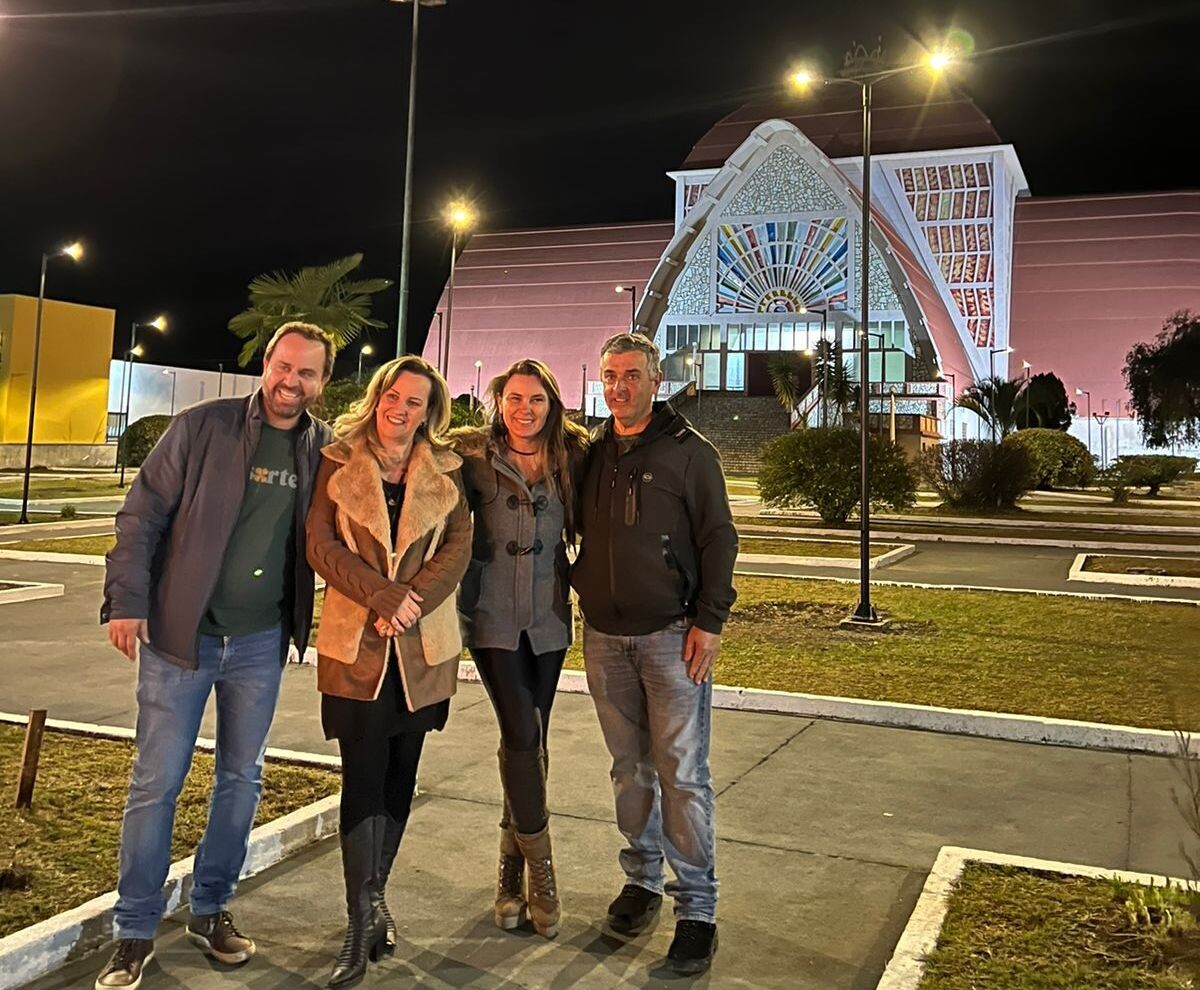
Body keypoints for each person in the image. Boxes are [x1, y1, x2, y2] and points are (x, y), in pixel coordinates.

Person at [97, 322, 335, 990]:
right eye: (284, 366)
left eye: (307, 372)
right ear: (267, 364)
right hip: (182, 636)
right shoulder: (203, 427)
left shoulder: (324, 450)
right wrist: (126, 600)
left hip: (260, 642)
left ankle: (210, 908)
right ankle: (134, 930)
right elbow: (141, 515)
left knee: (241, 779)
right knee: (156, 784)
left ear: (322, 381)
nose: (292, 381)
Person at [570, 332, 738, 976]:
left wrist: (709, 622)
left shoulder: (691, 454)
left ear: (656, 380)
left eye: (632, 375)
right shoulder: (592, 455)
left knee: (682, 774)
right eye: (610, 376)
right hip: (604, 637)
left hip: (672, 637)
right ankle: (640, 881)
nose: (619, 387)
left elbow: (719, 538)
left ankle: (697, 910)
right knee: (629, 770)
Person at [306, 355, 470, 989]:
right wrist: (382, 595)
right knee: (362, 779)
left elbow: (458, 548)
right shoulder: (338, 461)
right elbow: (319, 544)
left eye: (414, 402)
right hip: (360, 646)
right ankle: (357, 921)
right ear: (378, 397)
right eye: (392, 396)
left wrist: (411, 602)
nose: (399, 409)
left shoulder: (446, 469)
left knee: (402, 774)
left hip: (421, 649)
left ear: (430, 413)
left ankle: (376, 901)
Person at [453, 359, 590, 939]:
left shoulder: (574, 455)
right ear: (499, 401)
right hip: (492, 618)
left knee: (532, 738)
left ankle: (510, 874)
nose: (524, 410)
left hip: (549, 620)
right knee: (522, 733)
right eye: (514, 399)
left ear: (552, 404)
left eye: (536, 400)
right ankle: (542, 873)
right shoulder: (471, 454)